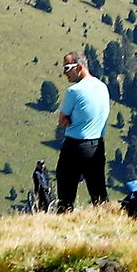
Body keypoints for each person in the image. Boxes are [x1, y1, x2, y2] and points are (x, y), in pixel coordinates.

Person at [54, 52, 110, 212]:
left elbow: (63, 120)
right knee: (99, 193)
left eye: (67, 68)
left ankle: (63, 224)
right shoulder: (102, 86)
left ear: (79, 67)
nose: (65, 73)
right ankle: (108, 224)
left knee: (66, 194)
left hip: (75, 146)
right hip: (97, 145)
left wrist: (72, 119)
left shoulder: (74, 91)